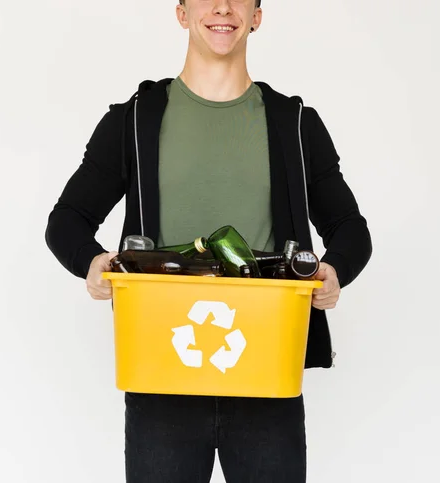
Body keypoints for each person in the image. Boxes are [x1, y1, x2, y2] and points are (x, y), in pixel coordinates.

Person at [45, 0, 372, 481]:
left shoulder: (294, 124)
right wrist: (93, 262)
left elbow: (350, 227)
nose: (222, 7)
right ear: (181, 12)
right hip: (161, 378)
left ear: (257, 16)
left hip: (266, 379)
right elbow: (67, 220)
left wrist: (332, 270)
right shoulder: (134, 121)